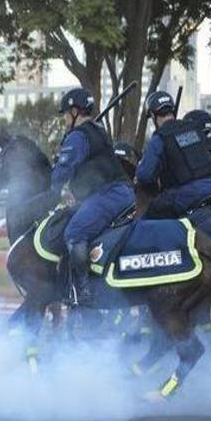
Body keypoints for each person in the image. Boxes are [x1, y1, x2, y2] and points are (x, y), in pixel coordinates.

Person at [52, 87, 135, 305]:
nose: (64, 119)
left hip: (108, 194)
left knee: (74, 232)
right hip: (119, 192)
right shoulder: (97, 130)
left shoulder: (78, 136)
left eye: (65, 115)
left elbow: (63, 171)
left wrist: (48, 190)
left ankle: (84, 292)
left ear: (74, 111)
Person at [136, 91, 211, 218]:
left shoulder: (160, 137)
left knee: (145, 219)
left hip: (188, 195)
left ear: (152, 115)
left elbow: (145, 175)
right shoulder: (194, 128)